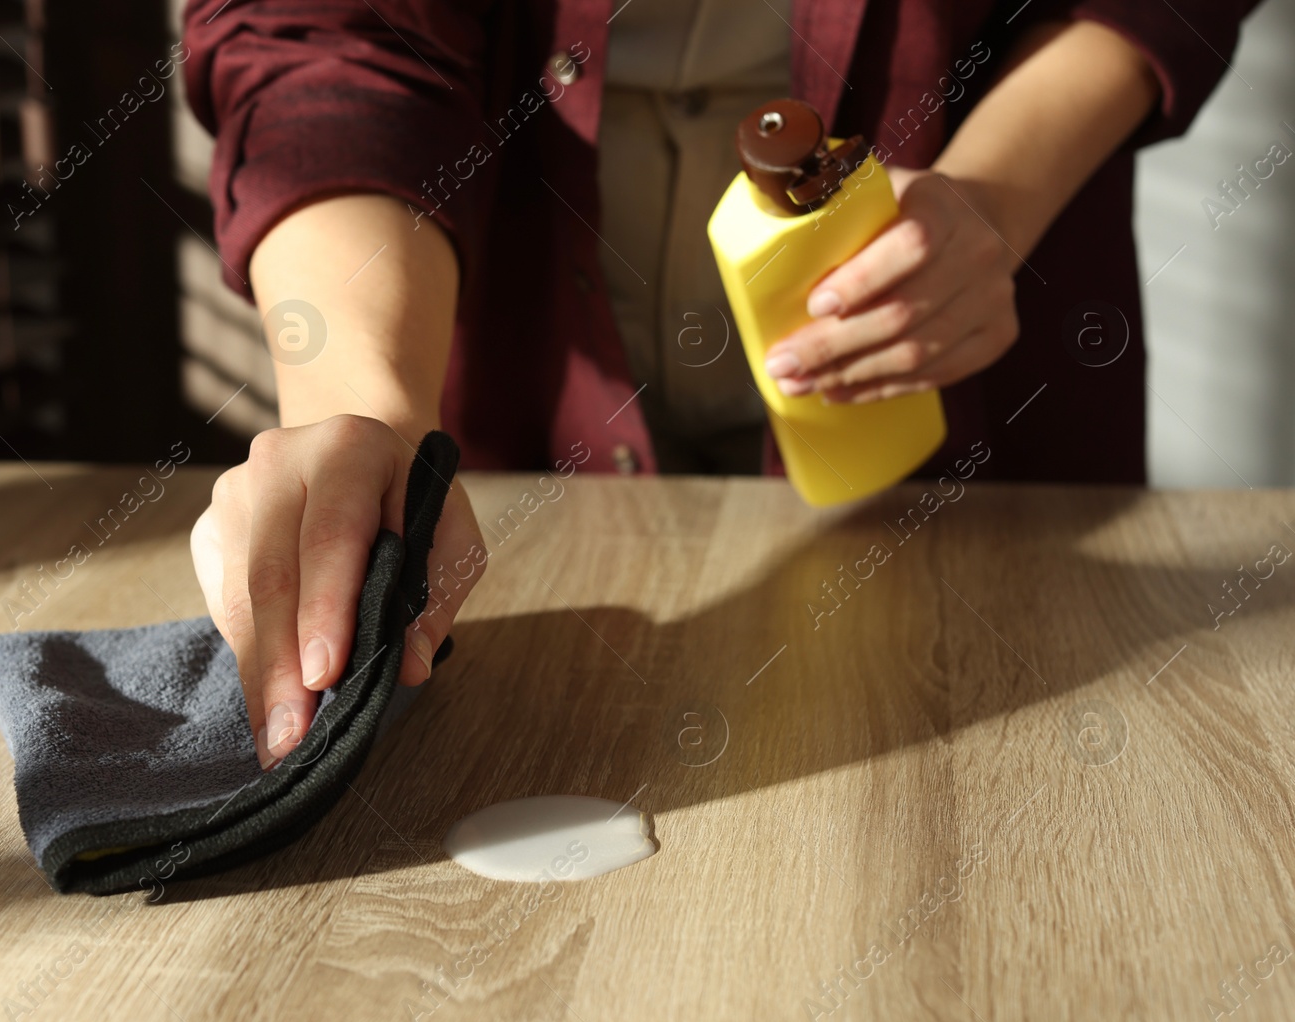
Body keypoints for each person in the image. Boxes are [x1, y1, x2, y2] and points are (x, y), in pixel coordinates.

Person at [181, 0, 1258, 767]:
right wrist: (358, 408)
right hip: (523, 386)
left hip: (964, 431)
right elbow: (328, 38)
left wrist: (994, 200)